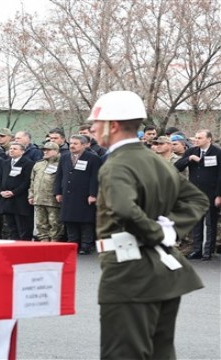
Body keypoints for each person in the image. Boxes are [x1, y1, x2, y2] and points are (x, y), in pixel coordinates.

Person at [88, 91, 207, 359]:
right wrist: (171, 230)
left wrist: (156, 233)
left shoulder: (116, 164)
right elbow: (197, 199)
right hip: (164, 273)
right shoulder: (157, 161)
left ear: (113, 125)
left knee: (123, 354)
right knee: (159, 352)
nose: (92, 129)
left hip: (129, 272)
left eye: (96, 123)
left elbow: (124, 209)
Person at [174, 129, 221, 260]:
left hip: (211, 193)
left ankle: (208, 251)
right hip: (195, 193)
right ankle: (197, 250)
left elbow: (220, 175)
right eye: (196, 137)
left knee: (210, 223)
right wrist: (189, 159)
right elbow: (177, 166)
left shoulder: (217, 152)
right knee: (196, 223)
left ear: (209, 139)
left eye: (200, 138)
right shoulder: (191, 151)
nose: (196, 140)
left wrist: (219, 195)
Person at [54, 135, 101, 254]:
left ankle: (86, 245)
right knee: (69, 220)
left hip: (84, 195)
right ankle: (72, 243)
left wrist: (93, 194)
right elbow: (59, 176)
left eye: (76, 143)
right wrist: (58, 192)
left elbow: (95, 178)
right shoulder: (64, 157)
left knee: (85, 221)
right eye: (71, 143)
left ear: (84, 145)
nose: (72, 146)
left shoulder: (92, 158)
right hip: (68, 194)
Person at [0, 142, 35, 240]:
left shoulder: (28, 163)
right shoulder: (5, 162)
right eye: (10, 148)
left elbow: (26, 182)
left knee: (23, 227)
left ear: (22, 151)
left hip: (20, 200)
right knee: (11, 227)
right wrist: (0, 191)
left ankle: (23, 248)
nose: (11, 150)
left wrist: (14, 192)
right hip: (6, 200)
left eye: (15, 149)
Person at [29, 142, 64, 241]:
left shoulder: (61, 163)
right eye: (44, 150)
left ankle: (54, 241)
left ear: (56, 151)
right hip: (39, 199)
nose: (45, 152)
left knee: (55, 223)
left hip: (52, 200)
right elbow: (32, 181)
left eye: (48, 150)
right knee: (40, 223)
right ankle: (43, 242)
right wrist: (31, 195)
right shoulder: (39, 164)